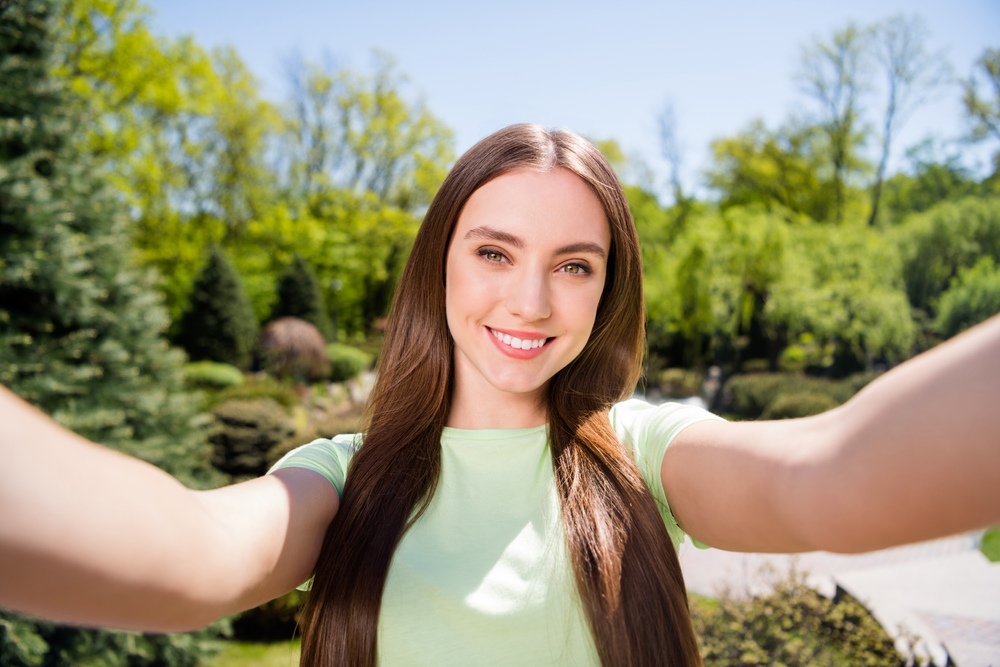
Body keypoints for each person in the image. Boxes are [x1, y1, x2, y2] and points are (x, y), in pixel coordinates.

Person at [1, 123, 998, 667]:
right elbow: (183, 555)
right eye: (493, 251)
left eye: (573, 265)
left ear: (607, 290)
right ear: (440, 264)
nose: (529, 298)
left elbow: (839, 475)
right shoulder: (340, 478)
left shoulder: (643, 456)